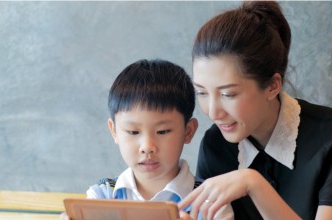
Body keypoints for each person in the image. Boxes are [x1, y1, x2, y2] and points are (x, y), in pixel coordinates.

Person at [178, 1, 332, 220]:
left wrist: (253, 183)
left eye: (228, 94)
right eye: (201, 92)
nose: (213, 112)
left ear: (272, 86)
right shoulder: (215, 145)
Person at [61, 59, 234, 219]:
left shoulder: (211, 203)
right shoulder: (101, 196)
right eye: (133, 132)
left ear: (188, 131)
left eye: (163, 131)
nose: (147, 147)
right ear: (114, 131)